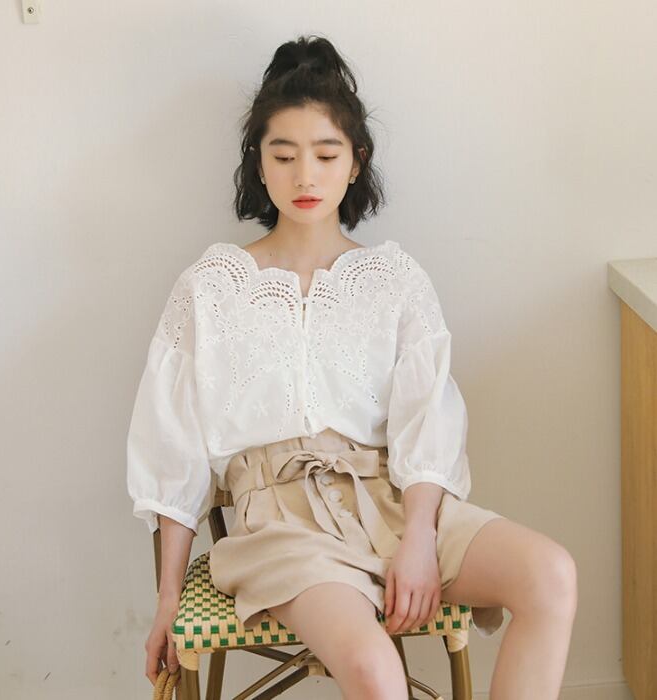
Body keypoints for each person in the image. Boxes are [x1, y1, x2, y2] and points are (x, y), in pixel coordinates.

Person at [126, 34, 577, 700]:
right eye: (284, 156)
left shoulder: (394, 279)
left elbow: (426, 420)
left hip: (393, 501)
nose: (305, 177)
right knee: (372, 668)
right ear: (259, 163)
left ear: (356, 161)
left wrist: (420, 538)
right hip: (280, 525)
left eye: (326, 154)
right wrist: (167, 596)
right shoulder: (211, 286)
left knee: (550, 574)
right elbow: (174, 453)